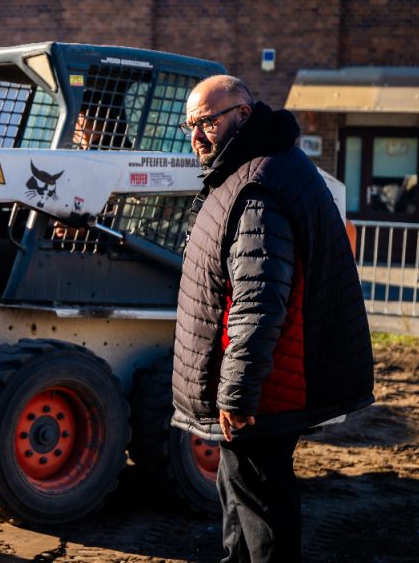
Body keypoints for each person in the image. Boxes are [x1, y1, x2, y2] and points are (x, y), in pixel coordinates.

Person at [171, 74, 374, 562]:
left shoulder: (257, 187)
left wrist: (238, 393)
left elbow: (259, 302)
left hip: (264, 394)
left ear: (241, 116)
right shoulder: (256, 172)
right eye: (189, 126)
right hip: (267, 389)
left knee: (263, 513)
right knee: (239, 501)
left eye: (206, 123)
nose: (197, 136)